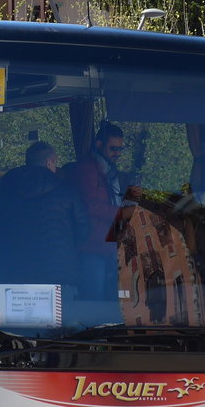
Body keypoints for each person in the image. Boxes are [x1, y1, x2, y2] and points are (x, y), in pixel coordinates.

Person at [0, 142, 88, 291]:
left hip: (15, 272)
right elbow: (83, 230)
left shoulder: (6, 189)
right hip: (59, 272)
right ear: (49, 162)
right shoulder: (66, 191)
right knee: (64, 314)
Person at [65, 122, 127, 298]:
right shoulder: (87, 169)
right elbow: (90, 205)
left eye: (120, 149)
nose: (117, 154)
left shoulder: (108, 170)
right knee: (95, 298)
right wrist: (121, 213)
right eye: (113, 148)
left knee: (114, 296)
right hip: (92, 244)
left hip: (108, 243)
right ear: (99, 144)